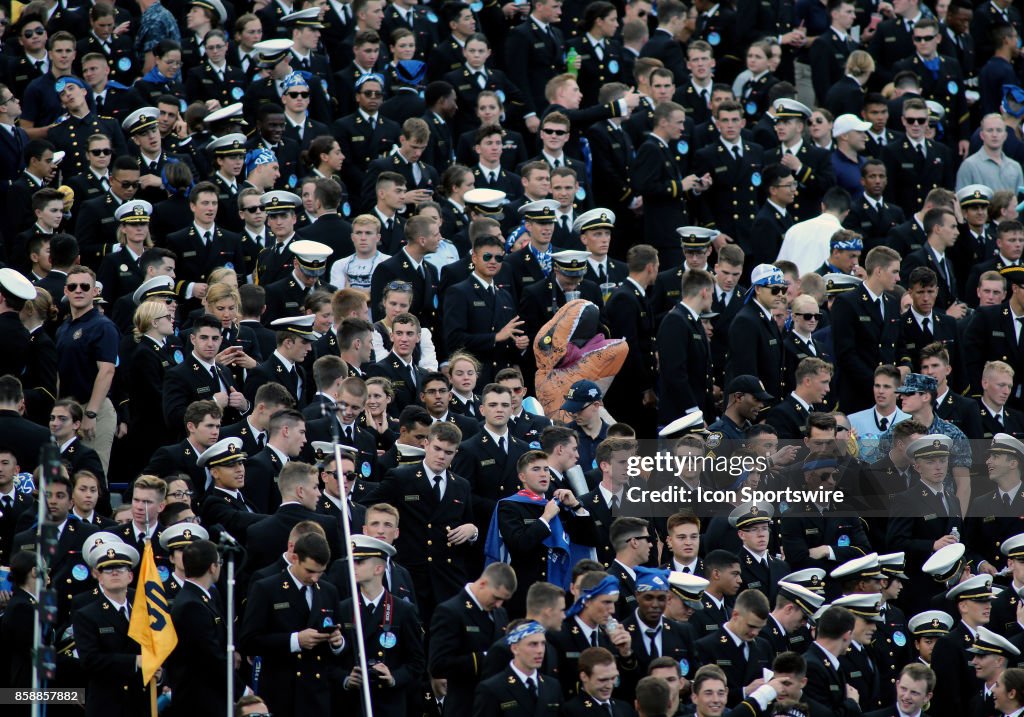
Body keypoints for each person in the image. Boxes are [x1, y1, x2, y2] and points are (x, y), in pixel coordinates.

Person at [239, 532, 345, 717]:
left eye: (320, 572)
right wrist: (295, 640)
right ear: (295, 558)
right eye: (310, 571)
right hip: (281, 693)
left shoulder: (328, 591)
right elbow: (250, 641)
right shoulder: (267, 588)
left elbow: (336, 639)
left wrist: (337, 643)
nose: (315, 579)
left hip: (316, 694)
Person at [338, 535, 425, 712]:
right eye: (352, 561)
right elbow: (329, 662)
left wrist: (393, 677)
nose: (352, 567)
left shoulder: (403, 610)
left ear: (378, 568)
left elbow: (417, 663)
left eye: (359, 562)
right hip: (353, 704)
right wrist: (346, 679)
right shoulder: (343, 609)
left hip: (389, 704)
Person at [429, 562, 516, 717]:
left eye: (503, 600)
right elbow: (438, 664)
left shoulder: (500, 613)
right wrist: (484, 658)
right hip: (466, 705)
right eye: (496, 597)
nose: (499, 604)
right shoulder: (450, 611)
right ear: (483, 584)